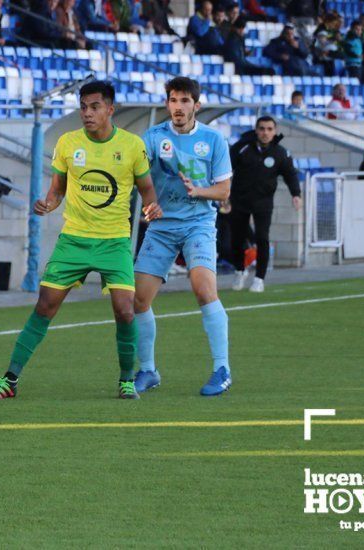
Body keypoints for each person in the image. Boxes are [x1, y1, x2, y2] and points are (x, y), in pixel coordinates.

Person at [0, 80, 162, 400]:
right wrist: (48, 203)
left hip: (114, 241)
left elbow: (146, 187)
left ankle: (126, 380)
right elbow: (57, 189)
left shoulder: (132, 146)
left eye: (94, 107)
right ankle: (10, 380)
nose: (87, 113)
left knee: (125, 310)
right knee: (45, 305)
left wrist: (150, 206)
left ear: (110, 109)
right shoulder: (67, 143)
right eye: (83, 107)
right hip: (74, 240)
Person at [132, 77, 233, 397]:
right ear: (167, 104)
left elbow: (223, 190)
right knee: (138, 299)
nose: (178, 107)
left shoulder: (214, 140)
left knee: (203, 289)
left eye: (185, 101)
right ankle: (148, 370)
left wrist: (198, 191)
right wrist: (147, 202)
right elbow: (136, 170)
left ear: (196, 106)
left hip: (199, 224)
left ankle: (222, 369)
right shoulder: (153, 137)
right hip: (161, 227)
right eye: (173, 101)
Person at [229, 117, 301, 293]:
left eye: (269, 129)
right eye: (262, 129)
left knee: (262, 238)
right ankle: (239, 271)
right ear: (256, 130)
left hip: (263, 202)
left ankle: (259, 279)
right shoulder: (242, 148)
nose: (265, 132)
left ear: (274, 131)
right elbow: (226, 168)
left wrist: (296, 194)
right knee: (236, 239)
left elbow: (290, 174)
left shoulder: (280, 153)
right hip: (239, 199)